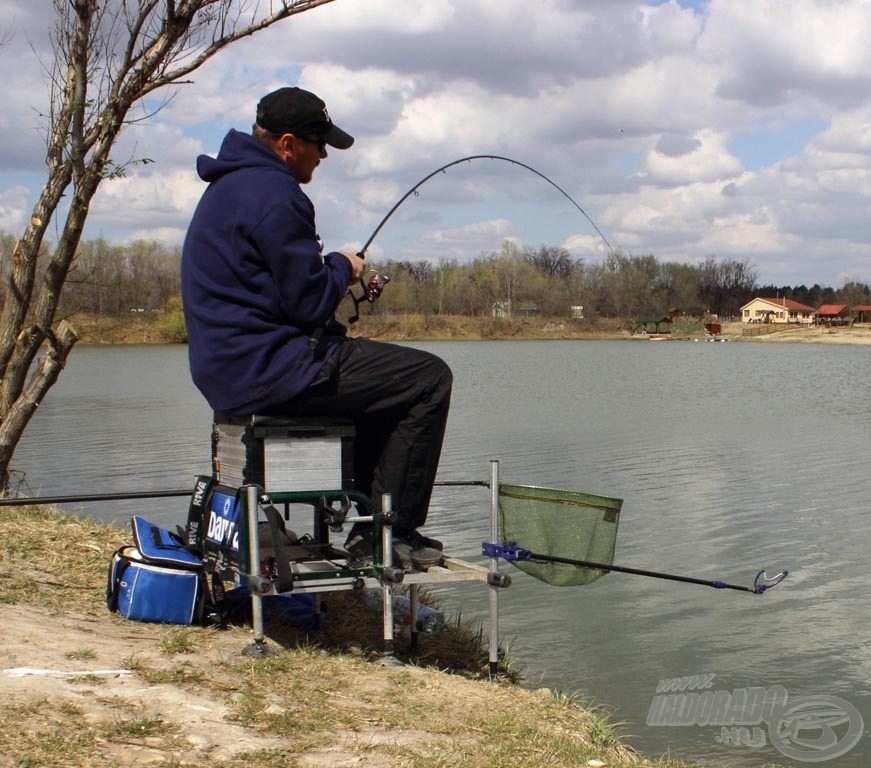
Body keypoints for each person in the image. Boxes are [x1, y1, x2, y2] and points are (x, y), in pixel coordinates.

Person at [181, 87, 452, 570]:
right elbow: (308, 301)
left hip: (230, 367)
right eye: (318, 143)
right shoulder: (276, 194)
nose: (324, 154)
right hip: (268, 370)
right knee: (428, 377)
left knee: (383, 377)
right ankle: (388, 537)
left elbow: (275, 296)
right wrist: (341, 266)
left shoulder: (229, 188)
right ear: (287, 144)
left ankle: (372, 525)